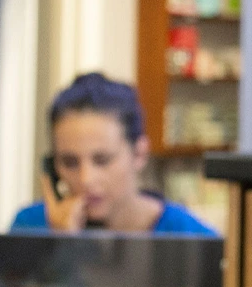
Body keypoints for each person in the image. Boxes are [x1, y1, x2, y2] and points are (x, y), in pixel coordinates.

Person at [12, 72, 217, 235]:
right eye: (70, 162)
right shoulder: (30, 227)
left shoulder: (189, 236)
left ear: (139, 154)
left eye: (102, 160)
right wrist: (59, 247)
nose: (86, 179)